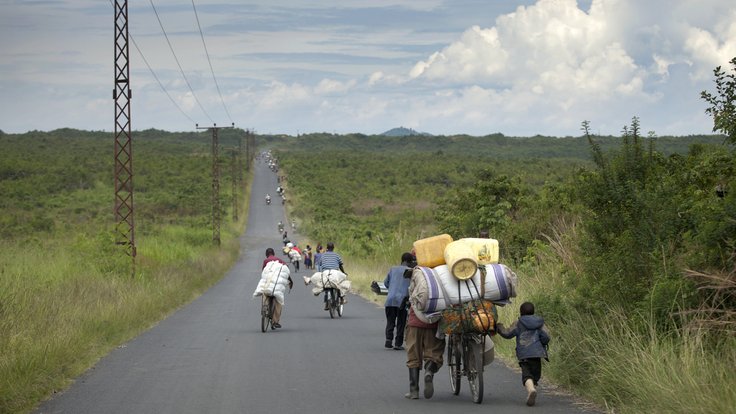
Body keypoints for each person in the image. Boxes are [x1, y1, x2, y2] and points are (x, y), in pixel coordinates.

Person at [496, 301, 551, 406]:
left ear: (521, 313)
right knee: (535, 375)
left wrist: (499, 327)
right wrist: (542, 343)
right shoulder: (540, 323)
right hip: (537, 353)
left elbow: (507, 333)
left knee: (527, 375)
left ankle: (531, 390)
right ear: (533, 312)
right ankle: (533, 386)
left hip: (524, 354)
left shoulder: (519, 323)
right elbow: (546, 337)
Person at [403, 269, 444, 400]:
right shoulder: (441, 273)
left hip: (415, 322)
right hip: (434, 322)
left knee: (413, 354)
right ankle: (429, 372)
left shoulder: (418, 274)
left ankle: (414, 391)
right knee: (434, 353)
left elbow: (412, 297)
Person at [383, 252, 413, 350]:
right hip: (402, 301)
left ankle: (388, 340)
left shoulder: (393, 269)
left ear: (402, 260)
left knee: (390, 321)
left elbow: (386, 283)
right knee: (401, 322)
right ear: (410, 262)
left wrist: (392, 289)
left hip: (390, 300)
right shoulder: (411, 271)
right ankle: (398, 344)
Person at [261, 248, 293, 329]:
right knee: (279, 302)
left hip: (268, 284)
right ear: (274, 253)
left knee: (265, 294)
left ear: (266, 254)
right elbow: (286, 272)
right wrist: (290, 281)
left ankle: (264, 307)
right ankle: (275, 321)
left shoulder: (266, 261)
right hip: (277, 285)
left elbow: (263, 273)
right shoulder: (280, 260)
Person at [317, 242, 346, 309]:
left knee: (325, 287)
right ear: (333, 248)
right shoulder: (336, 255)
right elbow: (340, 265)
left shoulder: (323, 255)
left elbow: (320, 264)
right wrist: (344, 272)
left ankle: (326, 303)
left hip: (325, 273)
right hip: (335, 273)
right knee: (339, 285)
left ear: (327, 248)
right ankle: (341, 299)